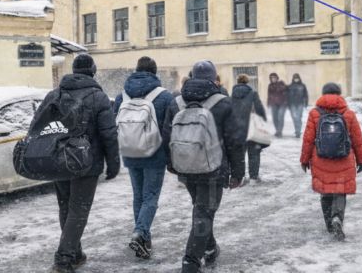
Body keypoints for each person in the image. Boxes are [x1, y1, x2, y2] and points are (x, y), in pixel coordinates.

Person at [163, 60, 246, 273]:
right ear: (213, 78)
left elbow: (166, 136)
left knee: (202, 210)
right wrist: (238, 173)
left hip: (186, 167)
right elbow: (235, 141)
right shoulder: (223, 103)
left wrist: (172, 164)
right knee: (204, 213)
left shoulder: (176, 103)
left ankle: (209, 249)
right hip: (214, 169)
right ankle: (190, 262)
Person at [46, 54, 121, 273]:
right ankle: (63, 259)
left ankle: (75, 253)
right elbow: (109, 134)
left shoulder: (55, 94)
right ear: (93, 71)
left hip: (59, 159)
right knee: (78, 210)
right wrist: (113, 163)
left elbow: (41, 125)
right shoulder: (98, 97)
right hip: (86, 162)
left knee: (66, 208)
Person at [113, 56, 175, 260]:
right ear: (155, 72)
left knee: (138, 196)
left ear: (136, 70)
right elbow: (170, 128)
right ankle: (140, 233)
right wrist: (169, 155)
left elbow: (115, 122)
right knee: (150, 197)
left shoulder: (122, 96)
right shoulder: (164, 96)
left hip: (130, 152)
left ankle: (144, 242)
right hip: (155, 154)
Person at [300, 82, 362, 241]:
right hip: (343, 158)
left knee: (325, 192)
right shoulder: (348, 114)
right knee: (339, 191)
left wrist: (304, 160)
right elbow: (357, 139)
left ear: (323, 94)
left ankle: (329, 224)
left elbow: (308, 139)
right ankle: (337, 217)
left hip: (321, 158)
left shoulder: (315, 114)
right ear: (339, 94)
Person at [232, 74, 267, 182]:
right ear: (247, 82)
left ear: (237, 82)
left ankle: (241, 176)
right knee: (254, 153)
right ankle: (253, 177)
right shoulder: (252, 93)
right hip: (252, 127)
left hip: (237, 128)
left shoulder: (232, 94)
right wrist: (263, 121)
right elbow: (259, 108)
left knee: (239, 154)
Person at [287, 73, 309, 138]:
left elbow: (306, 95)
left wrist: (306, 103)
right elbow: (287, 96)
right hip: (292, 104)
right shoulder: (290, 86)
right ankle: (297, 130)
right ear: (293, 79)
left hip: (300, 103)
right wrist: (288, 104)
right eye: (295, 78)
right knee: (294, 118)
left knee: (298, 118)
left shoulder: (303, 85)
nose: (296, 79)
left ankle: (298, 132)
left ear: (299, 78)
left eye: (297, 78)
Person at [267, 72, 288, 137]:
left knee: (280, 117)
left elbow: (286, 91)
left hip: (282, 103)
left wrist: (280, 86)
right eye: (272, 78)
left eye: (274, 78)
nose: (273, 79)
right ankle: (277, 130)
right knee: (274, 118)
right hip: (274, 103)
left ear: (277, 78)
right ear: (270, 79)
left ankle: (279, 131)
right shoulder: (270, 85)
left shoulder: (281, 83)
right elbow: (269, 94)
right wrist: (268, 102)